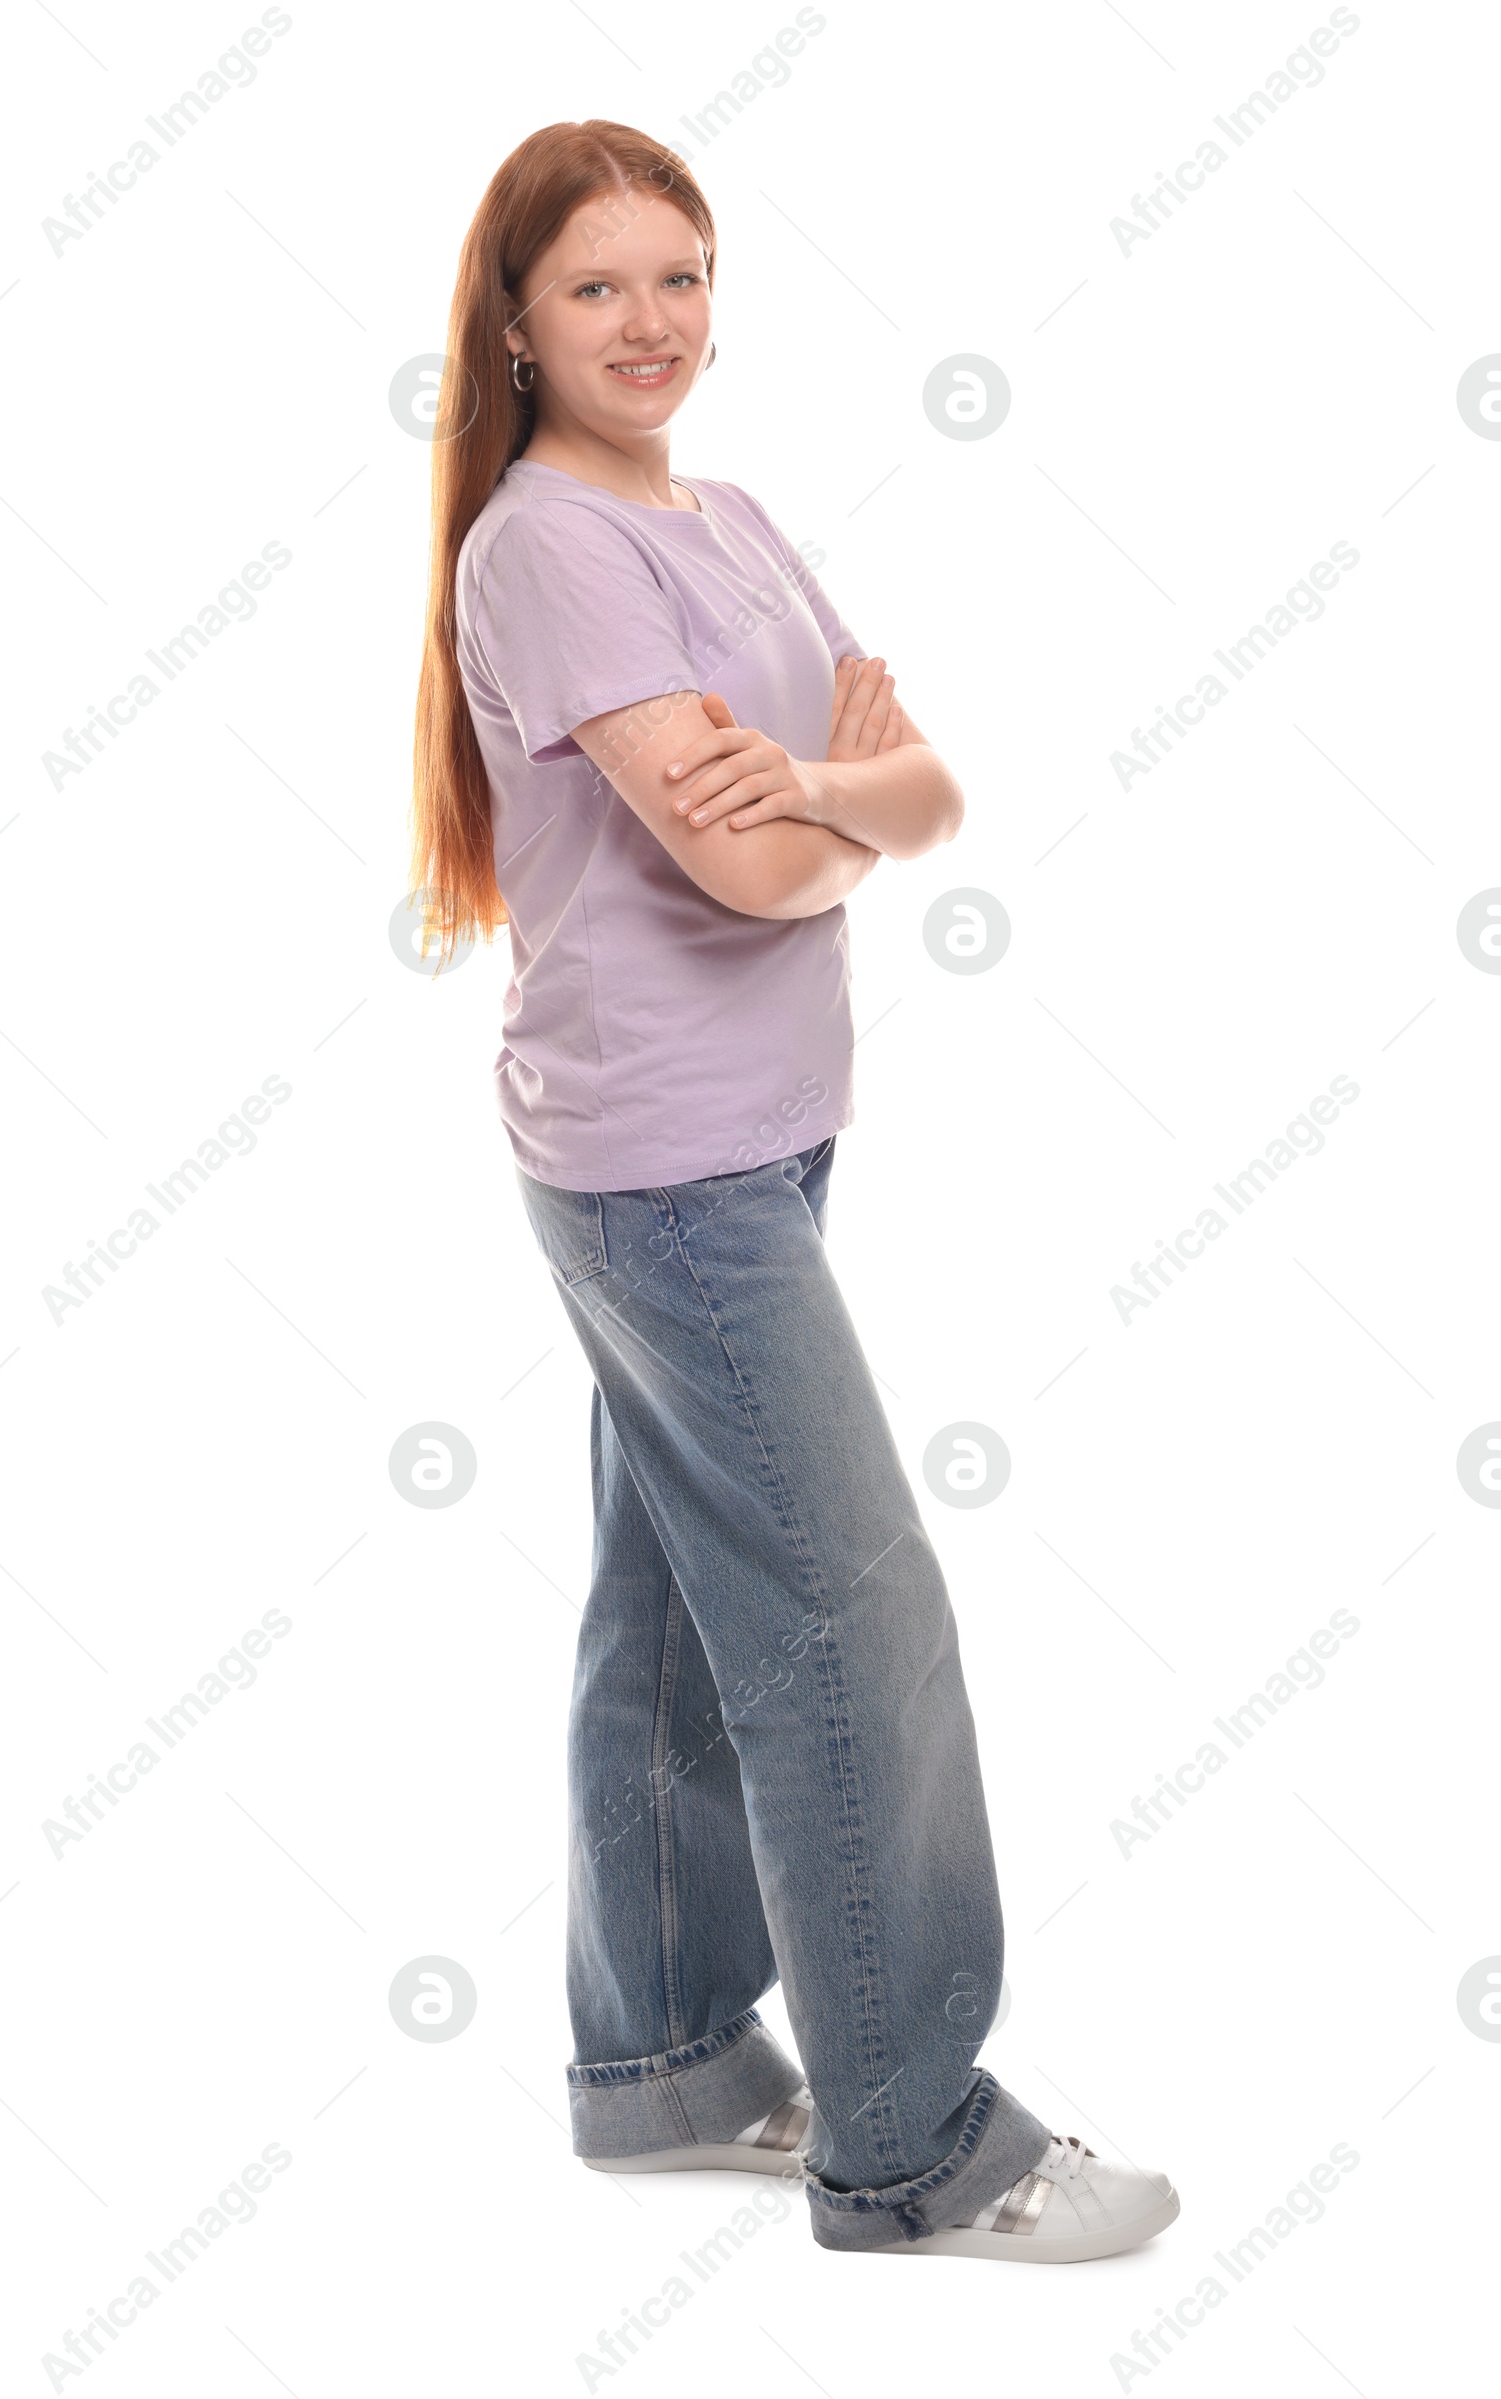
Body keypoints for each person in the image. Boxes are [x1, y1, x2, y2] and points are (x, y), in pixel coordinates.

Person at [409, 117, 1179, 2263]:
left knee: (667, 1604)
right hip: (660, 1159)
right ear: (514, 321)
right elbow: (744, 864)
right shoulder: (548, 550)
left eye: (679, 275)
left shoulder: (724, 517)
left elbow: (917, 789)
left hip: (759, 1131)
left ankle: (658, 2057)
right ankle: (914, 2145)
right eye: (596, 288)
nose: (647, 323)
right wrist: (827, 817)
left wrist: (827, 791)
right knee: (850, 1621)